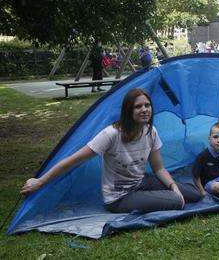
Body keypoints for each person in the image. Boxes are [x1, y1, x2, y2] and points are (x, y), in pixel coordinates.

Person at [21, 88, 202, 213]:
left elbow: (159, 169)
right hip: (119, 197)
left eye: (147, 105)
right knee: (177, 201)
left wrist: (173, 186)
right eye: (138, 106)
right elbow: (74, 159)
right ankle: (157, 198)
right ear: (128, 111)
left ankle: (159, 195)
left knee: (194, 194)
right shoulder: (111, 134)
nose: (144, 110)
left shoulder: (150, 131)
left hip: (140, 183)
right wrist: (40, 181)